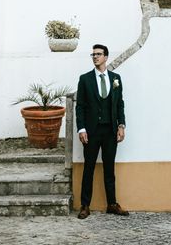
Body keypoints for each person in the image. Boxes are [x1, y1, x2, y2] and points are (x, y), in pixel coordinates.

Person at [76, 44, 129, 219]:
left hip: (110, 131)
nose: (95, 57)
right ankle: (85, 205)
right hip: (91, 131)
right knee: (89, 168)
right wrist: (81, 129)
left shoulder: (116, 78)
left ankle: (112, 204)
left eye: (98, 54)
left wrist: (121, 125)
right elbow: (80, 107)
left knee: (109, 168)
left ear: (106, 57)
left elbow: (120, 103)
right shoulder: (85, 79)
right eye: (93, 54)